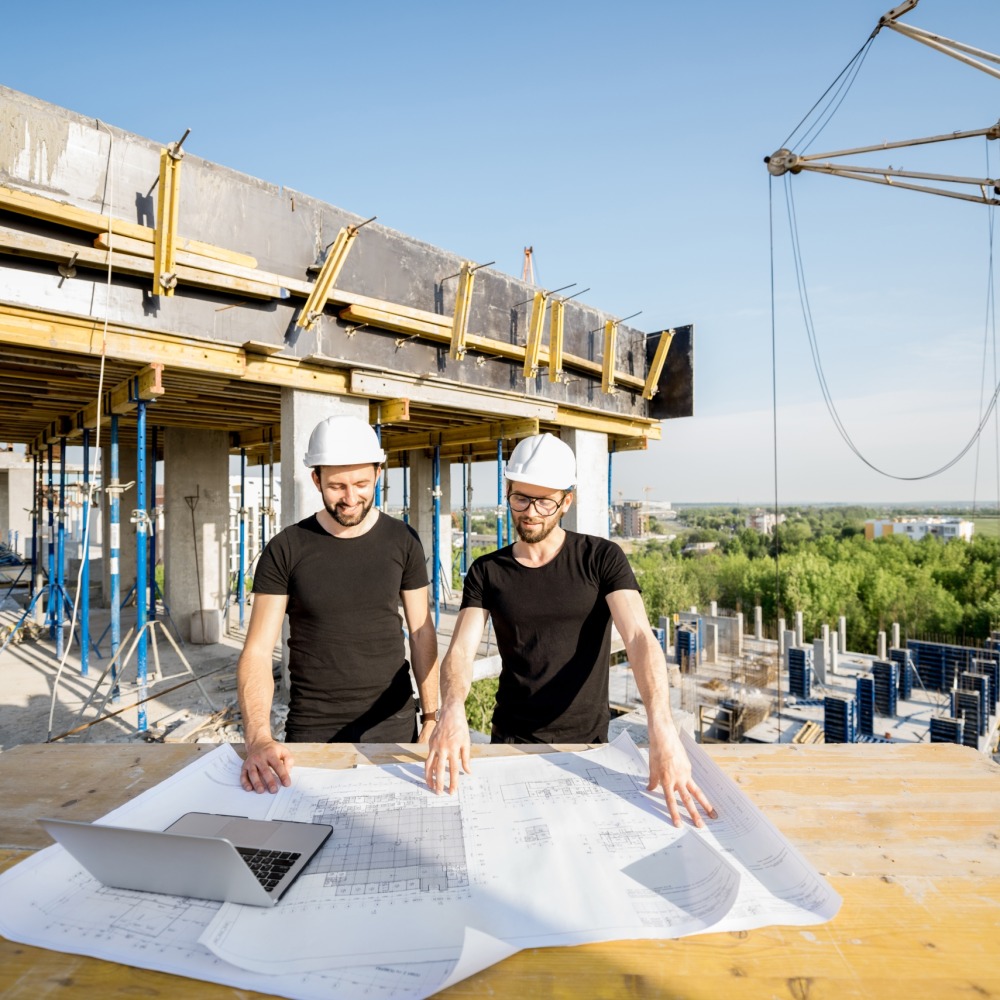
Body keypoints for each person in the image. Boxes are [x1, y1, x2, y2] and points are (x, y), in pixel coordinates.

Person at [425, 433, 715, 828]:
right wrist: (452, 708)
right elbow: (460, 651)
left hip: (588, 744)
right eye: (520, 498)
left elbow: (639, 638)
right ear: (508, 491)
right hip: (511, 742)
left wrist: (660, 725)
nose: (531, 512)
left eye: (545, 501)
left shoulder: (601, 558)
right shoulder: (487, 571)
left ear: (567, 501)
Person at [238, 414, 439, 793]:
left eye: (362, 483)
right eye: (337, 486)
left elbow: (420, 630)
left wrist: (431, 717)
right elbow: (257, 652)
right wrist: (259, 738)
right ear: (316, 480)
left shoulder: (403, 540)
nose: (350, 498)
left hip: (394, 723)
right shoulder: (286, 548)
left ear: (379, 474)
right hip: (312, 728)